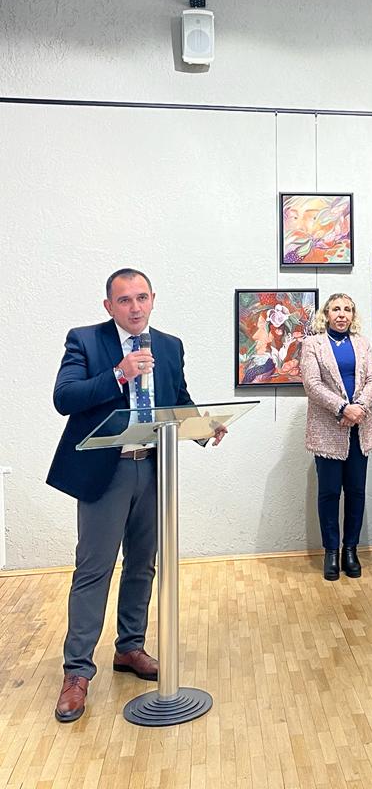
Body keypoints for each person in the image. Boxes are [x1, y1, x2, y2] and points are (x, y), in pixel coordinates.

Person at [48, 268, 226, 723]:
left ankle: (129, 648)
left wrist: (204, 427)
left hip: (153, 467)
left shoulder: (169, 345)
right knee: (94, 570)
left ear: (153, 299)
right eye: (124, 300)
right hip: (104, 473)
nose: (135, 307)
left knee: (143, 564)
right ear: (109, 306)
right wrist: (119, 374)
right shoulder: (85, 340)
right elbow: (65, 398)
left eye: (141, 298)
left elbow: (177, 398)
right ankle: (77, 673)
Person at [300, 293, 372, 581]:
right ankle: (331, 552)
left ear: (353, 315)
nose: (342, 314)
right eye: (336, 309)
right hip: (327, 430)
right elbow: (312, 384)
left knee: (356, 492)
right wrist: (343, 408)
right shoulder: (313, 344)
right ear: (326, 314)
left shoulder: (362, 343)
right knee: (329, 493)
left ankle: (350, 550)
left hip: (360, 429)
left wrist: (358, 409)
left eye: (347, 309)